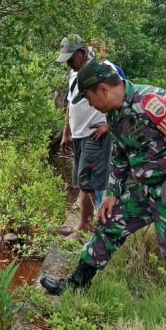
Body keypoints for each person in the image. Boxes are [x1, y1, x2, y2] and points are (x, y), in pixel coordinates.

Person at [40, 60, 166, 296]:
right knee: (108, 224)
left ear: (103, 89)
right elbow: (120, 156)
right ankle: (76, 284)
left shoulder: (151, 101)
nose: (90, 104)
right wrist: (112, 194)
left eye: (88, 97)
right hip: (144, 189)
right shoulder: (114, 114)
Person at [55, 35, 122, 234]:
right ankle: (84, 224)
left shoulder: (104, 67)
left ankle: (84, 229)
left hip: (95, 135)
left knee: (88, 184)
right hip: (78, 135)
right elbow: (71, 103)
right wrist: (67, 132)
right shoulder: (75, 72)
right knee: (80, 181)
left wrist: (108, 126)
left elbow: (121, 96)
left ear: (82, 53)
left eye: (70, 58)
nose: (68, 63)